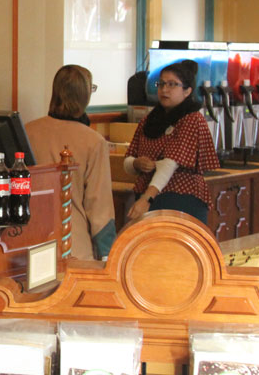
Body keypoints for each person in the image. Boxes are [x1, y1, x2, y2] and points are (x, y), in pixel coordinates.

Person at [25, 65, 117, 260]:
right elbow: (99, 207)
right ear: (85, 97)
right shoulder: (93, 141)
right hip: (72, 245)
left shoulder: (28, 131)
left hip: (28, 240)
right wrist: (107, 257)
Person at [124, 59, 220, 225]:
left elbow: (169, 164)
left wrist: (147, 199)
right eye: (161, 84)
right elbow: (128, 160)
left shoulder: (192, 119)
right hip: (149, 194)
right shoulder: (150, 119)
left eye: (172, 84)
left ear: (187, 91)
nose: (164, 89)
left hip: (181, 199)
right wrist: (136, 163)